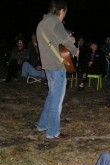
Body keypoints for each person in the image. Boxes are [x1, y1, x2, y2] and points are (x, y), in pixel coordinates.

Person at [36, 0, 79, 140]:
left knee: (51, 96)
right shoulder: (56, 22)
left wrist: (67, 39)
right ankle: (53, 132)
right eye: (65, 12)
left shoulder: (41, 24)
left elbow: (55, 41)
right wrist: (75, 50)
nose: (65, 15)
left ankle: (42, 125)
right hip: (57, 67)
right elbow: (66, 42)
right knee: (57, 100)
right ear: (60, 11)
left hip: (48, 66)